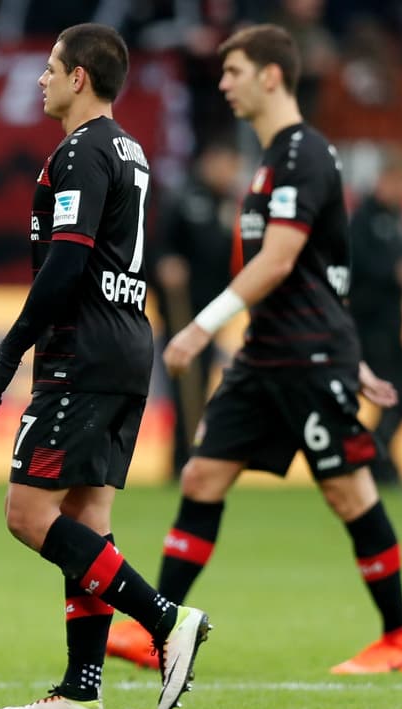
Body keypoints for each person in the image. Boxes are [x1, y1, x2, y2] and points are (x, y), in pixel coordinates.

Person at [107, 24, 402, 675]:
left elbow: (281, 261)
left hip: (307, 357)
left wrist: (200, 325)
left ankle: (399, 638)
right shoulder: (271, 159)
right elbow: (324, 264)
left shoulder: (303, 153)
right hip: (268, 354)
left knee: (349, 493)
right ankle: (159, 629)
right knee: (200, 474)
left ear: (272, 76)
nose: (223, 84)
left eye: (234, 72)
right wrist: (354, 352)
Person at [0, 23, 210, 709]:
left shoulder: (82, 151)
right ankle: (82, 686)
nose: (40, 79)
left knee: (27, 512)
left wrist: (8, 353)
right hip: (128, 343)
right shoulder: (129, 150)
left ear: (80, 78)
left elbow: (66, 264)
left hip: (86, 351)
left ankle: (165, 620)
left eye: (50, 68)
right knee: (87, 519)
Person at [151, 139, 242, 477]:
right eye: (226, 164)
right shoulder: (182, 197)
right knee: (183, 382)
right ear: (209, 161)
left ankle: (192, 454)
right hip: (182, 308)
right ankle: (181, 458)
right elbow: (156, 246)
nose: (229, 173)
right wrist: (165, 264)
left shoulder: (230, 202)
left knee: (202, 382)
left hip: (214, 309)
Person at [348, 147, 402, 487]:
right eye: (401, 182)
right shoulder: (363, 217)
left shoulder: (398, 217)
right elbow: (357, 262)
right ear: (385, 180)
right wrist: (394, 272)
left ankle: (375, 455)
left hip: (392, 321)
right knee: (394, 393)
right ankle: (377, 460)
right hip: (367, 321)